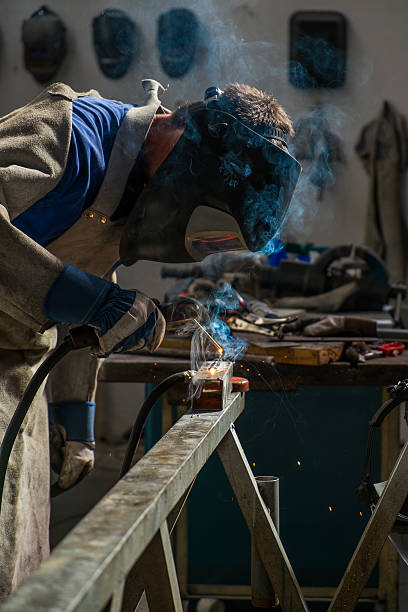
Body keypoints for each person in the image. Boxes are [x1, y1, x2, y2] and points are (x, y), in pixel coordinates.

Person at [0, 78, 300, 597]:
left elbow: (83, 278)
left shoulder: (130, 188)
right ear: (186, 147)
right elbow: (79, 291)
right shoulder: (67, 135)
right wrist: (93, 302)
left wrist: (77, 419)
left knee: (19, 580)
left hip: (17, 386)